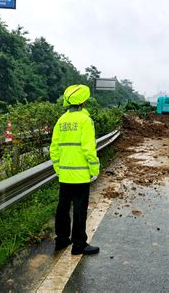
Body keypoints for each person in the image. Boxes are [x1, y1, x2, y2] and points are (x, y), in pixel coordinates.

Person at [50, 84, 100, 255]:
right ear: (84, 102)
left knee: (62, 207)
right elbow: (88, 149)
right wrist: (95, 169)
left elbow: (54, 148)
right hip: (80, 175)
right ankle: (79, 244)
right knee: (79, 209)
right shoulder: (86, 121)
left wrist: (58, 168)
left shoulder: (61, 121)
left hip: (64, 174)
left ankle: (62, 240)